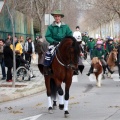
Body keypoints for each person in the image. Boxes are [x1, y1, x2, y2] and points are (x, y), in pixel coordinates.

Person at [44, 10, 73, 75]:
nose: (57, 18)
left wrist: (66, 41)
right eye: (56, 16)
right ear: (54, 17)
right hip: (54, 44)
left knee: (73, 52)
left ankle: (75, 67)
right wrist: (53, 41)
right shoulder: (50, 27)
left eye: (58, 16)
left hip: (64, 44)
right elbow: (47, 36)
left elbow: (70, 34)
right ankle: (47, 68)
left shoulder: (66, 26)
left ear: (61, 17)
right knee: (48, 54)